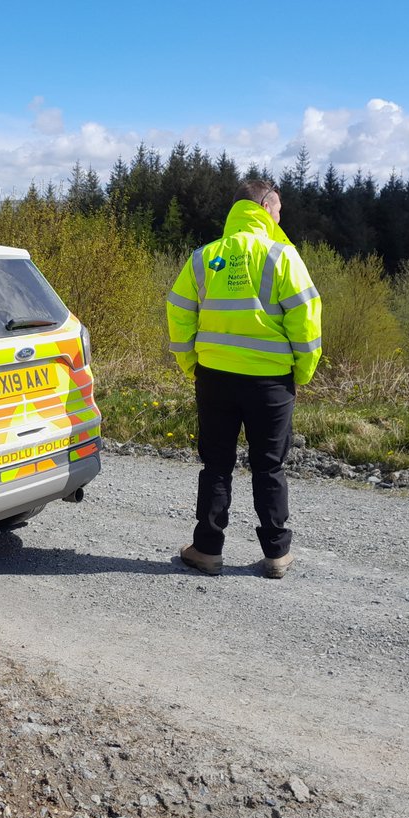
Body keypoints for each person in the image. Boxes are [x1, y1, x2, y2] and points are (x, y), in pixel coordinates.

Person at [166, 179, 322, 578]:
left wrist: (192, 366)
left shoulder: (204, 257)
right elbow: (306, 321)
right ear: (267, 207)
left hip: (214, 378)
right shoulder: (282, 256)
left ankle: (207, 550)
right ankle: (276, 556)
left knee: (216, 466)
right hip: (270, 384)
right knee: (269, 467)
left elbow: (179, 313)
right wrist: (300, 373)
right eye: (280, 209)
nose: (280, 216)